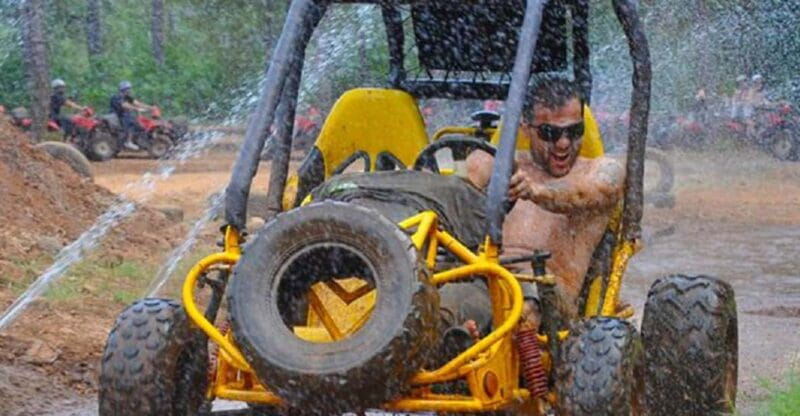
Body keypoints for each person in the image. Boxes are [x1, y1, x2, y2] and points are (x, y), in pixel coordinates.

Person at [440, 78, 625, 340]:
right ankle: (453, 342)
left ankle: (475, 345)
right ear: (526, 129)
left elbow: (584, 194)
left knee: (521, 305)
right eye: (550, 133)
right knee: (434, 306)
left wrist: (538, 192)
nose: (563, 143)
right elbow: (458, 186)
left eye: (574, 131)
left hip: (546, 292)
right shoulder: (500, 165)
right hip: (483, 280)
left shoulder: (603, 170)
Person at [110, 81, 154, 150]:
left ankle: (138, 139)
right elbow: (124, 105)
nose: (130, 90)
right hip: (118, 115)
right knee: (131, 123)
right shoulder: (117, 96)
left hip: (124, 114)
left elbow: (137, 103)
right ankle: (128, 142)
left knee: (138, 123)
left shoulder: (127, 97)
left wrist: (149, 107)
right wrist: (136, 109)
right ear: (124, 89)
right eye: (128, 88)